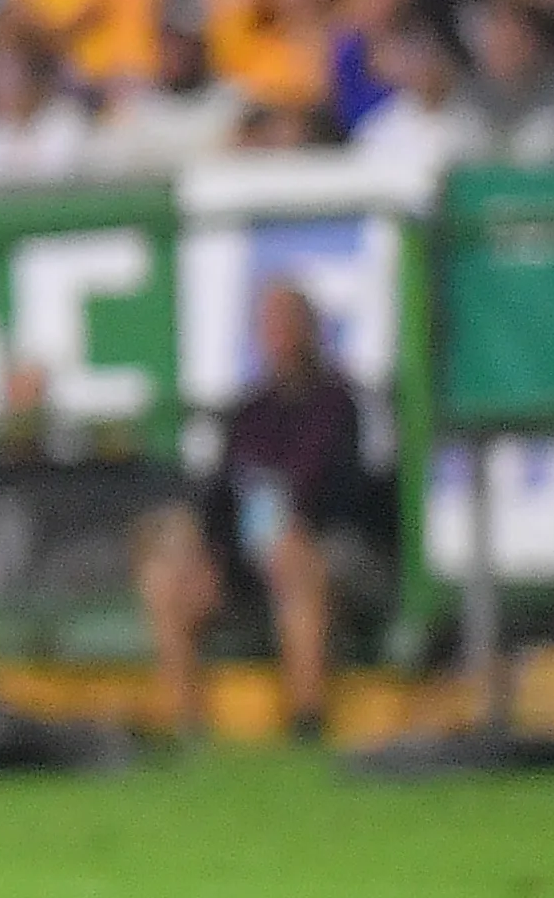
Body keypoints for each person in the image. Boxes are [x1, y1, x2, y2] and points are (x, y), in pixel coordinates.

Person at [136, 280, 391, 742]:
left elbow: (357, 495)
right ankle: (187, 722)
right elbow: (221, 496)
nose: (278, 336)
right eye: (270, 325)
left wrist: (292, 530)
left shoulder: (341, 405)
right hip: (250, 553)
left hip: (328, 547)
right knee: (167, 576)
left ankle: (306, 717)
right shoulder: (249, 413)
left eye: (287, 324)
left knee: (292, 561)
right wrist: (211, 553)